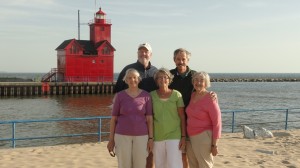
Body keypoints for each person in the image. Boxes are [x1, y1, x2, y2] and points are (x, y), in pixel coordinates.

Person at [113, 42, 157, 168]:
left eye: (146, 51)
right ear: (137, 53)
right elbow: (117, 94)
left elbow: (166, 89)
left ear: (151, 54)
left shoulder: (156, 72)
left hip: (151, 119)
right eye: (141, 51)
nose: (143, 54)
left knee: (148, 156)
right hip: (128, 124)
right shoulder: (128, 69)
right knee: (126, 160)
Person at [107, 68, 154, 168]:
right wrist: (111, 139)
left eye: (135, 77)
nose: (132, 80)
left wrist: (151, 138)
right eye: (129, 78)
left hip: (142, 136)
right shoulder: (119, 96)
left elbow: (149, 120)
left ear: (139, 79)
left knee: (140, 164)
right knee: (124, 164)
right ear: (126, 80)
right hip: (122, 135)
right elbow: (113, 119)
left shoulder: (147, 96)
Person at [150, 68, 186, 168]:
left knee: (174, 165)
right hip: (157, 136)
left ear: (169, 79)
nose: (162, 79)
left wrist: (183, 137)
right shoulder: (151, 95)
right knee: (160, 164)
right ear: (156, 80)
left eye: (165, 77)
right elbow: (150, 118)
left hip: (174, 135)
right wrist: (151, 138)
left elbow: (182, 117)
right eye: (160, 77)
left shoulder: (177, 95)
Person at [185, 71, 222, 168]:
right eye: (196, 80)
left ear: (206, 83)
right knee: (193, 165)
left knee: (205, 165)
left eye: (202, 80)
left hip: (203, 137)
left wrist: (214, 145)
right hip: (190, 137)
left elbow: (217, 123)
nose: (198, 83)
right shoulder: (193, 95)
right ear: (193, 82)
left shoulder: (210, 97)